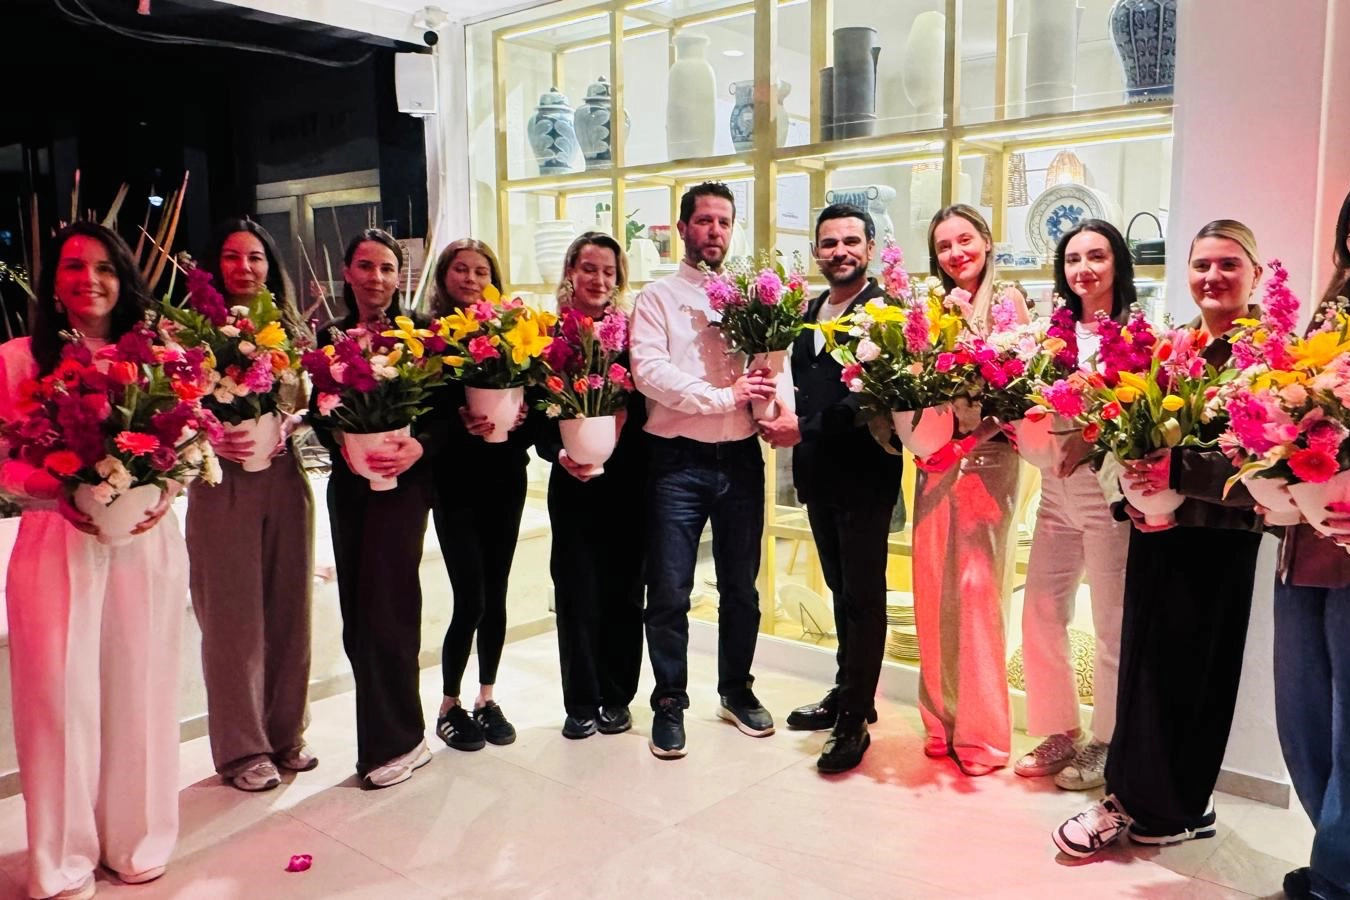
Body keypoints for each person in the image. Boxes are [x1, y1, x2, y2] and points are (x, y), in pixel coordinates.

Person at [1054, 220, 1266, 857]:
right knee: (1147, 670)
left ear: (1255, 274)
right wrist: (1135, 500)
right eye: (1202, 265)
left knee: (1194, 676)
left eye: (1228, 264)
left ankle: (1171, 807)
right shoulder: (1178, 347)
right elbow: (1134, 436)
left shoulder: (1268, 358)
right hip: (1158, 535)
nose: (1212, 277)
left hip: (1218, 540)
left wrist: (1180, 474)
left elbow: (1265, 465)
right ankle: (1138, 796)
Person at [0, 222, 186, 898]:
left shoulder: (161, 355)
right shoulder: (18, 359)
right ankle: (61, 858)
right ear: (53, 282)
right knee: (57, 699)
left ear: (125, 279)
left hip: (142, 539)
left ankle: (136, 840)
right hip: (54, 538)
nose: (91, 280)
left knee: (142, 690)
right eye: (75, 267)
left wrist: (165, 491)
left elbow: (183, 446)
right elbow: (4, 463)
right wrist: (56, 489)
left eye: (106, 267)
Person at [630, 181, 778, 759]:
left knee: (741, 587)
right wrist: (721, 397)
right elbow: (649, 372)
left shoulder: (748, 300)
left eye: (724, 222)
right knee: (670, 590)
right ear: (683, 228)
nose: (715, 231)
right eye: (705, 220)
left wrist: (772, 405)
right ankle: (669, 701)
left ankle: (736, 690)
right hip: (677, 462)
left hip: (740, 458)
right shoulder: (658, 297)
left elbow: (769, 367)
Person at [758, 203, 901, 773]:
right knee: (841, 590)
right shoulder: (810, 311)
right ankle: (848, 691)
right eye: (829, 242)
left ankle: (855, 719)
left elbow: (869, 398)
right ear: (817, 251)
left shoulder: (885, 312)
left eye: (850, 241)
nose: (839, 251)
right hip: (818, 476)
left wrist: (805, 429)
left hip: (866, 477)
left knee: (864, 597)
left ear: (870, 249)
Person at [186, 219, 317, 793]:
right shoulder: (191, 332)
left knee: (291, 609)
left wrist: (296, 421)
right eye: (232, 256)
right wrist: (208, 436)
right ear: (217, 266)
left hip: (285, 476)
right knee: (232, 619)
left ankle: (287, 734)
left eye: (256, 257)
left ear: (271, 266)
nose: (244, 267)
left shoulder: (288, 331)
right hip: (222, 481)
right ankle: (242, 749)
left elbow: (311, 400)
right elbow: (173, 410)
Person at [312, 229, 438, 789]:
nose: (377, 278)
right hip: (350, 487)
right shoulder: (330, 336)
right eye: (366, 266)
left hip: (403, 489)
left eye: (387, 268)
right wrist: (342, 440)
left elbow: (444, 412)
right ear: (348, 272)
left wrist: (420, 447)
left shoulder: (421, 333)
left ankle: (402, 741)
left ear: (399, 276)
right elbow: (319, 408)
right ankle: (383, 738)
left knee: (390, 610)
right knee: (358, 617)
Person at [911, 204, 1029, 776]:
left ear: (986, 240)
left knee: (978, 591)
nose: (956, 253)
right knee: (932, 585)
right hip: (934, 459)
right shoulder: (929, 307)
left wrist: (967, 441)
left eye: (965, 240)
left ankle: (983, 737)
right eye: (944, 246)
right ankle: (941, 719)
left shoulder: (1008, 302)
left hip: (989, 457)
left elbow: (1017, 390)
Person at [1014, 220, 1132, 790]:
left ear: (1117, 264)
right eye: (1073, 258)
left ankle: (1107, 740)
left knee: (1111, 622)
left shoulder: (1137, 334)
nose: (1084, 268)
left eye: (1097, 256)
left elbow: (1137, 415)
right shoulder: (1046, 336)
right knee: (1040, 610)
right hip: (1053, 491)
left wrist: (1093, 433)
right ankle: (1060, 729)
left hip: (1106, 492)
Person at [535, 232, 647, 739]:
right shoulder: (548, 338)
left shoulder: (632, 338)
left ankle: (617, 696)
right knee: (576, 592)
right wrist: (560, 453)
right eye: (588, 268)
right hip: (572, 484)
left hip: (627, 484)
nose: (598, 280)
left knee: (624, 591)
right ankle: (580, 700)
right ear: (570, 273)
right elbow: (538, 415)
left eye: (608, 271)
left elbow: (646, 409)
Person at [1275, 187, 1350, 900]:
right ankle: (1335, 850)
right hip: (1306, 544)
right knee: (1302, 714)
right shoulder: (1325, 321)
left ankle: (1336, 874)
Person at [429, 238, 532, 752]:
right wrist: (457, 421)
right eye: (461, 269)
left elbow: (534, 408)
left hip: (505, 476)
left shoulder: (511, 334)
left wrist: (523, 417)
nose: (471, 279)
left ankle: (486, 697)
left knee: (497, 593)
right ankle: (448, 705)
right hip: (455, 482)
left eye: (481, 271)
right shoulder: (430, 338)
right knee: (470, 596)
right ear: (444, 276)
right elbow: (424, 416)